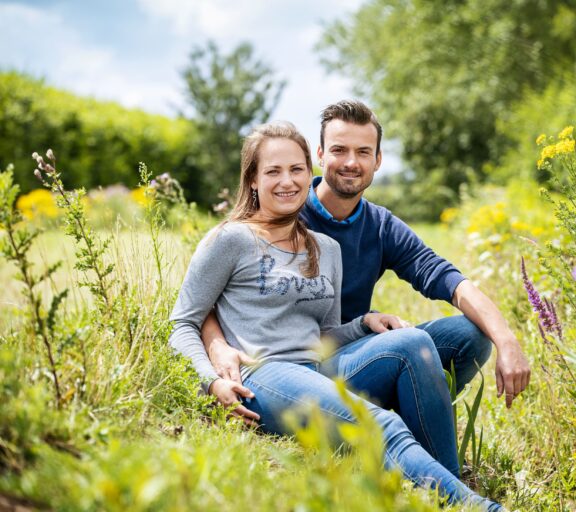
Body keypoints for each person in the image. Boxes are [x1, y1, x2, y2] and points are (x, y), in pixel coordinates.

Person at [169, 121, 503, 511]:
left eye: (295, 170)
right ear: (253, 180)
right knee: (384, 424)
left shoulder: (324, 248)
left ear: (307, 170)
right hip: (264, 375)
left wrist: (363, 325)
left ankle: (447, 490)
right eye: (273, 171)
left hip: (317, 370)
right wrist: (210, 382)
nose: (287, 182)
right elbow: (182, 323)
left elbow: (323, 335)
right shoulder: (231, 239)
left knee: (413, 340)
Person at [203, 100, 531, 428]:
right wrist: (217, 346)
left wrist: (507, 339)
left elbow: (448, 279)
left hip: (355, 352)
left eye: (362, 152)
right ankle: (374, 428)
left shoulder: (380, 226)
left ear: (377, 160)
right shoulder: (285, 211)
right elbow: (211, 299)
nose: (350, 162)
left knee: (469, 334)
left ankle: (407, 420)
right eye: (339, 150)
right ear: (319, 155)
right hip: (293, 367)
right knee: (408, 344)